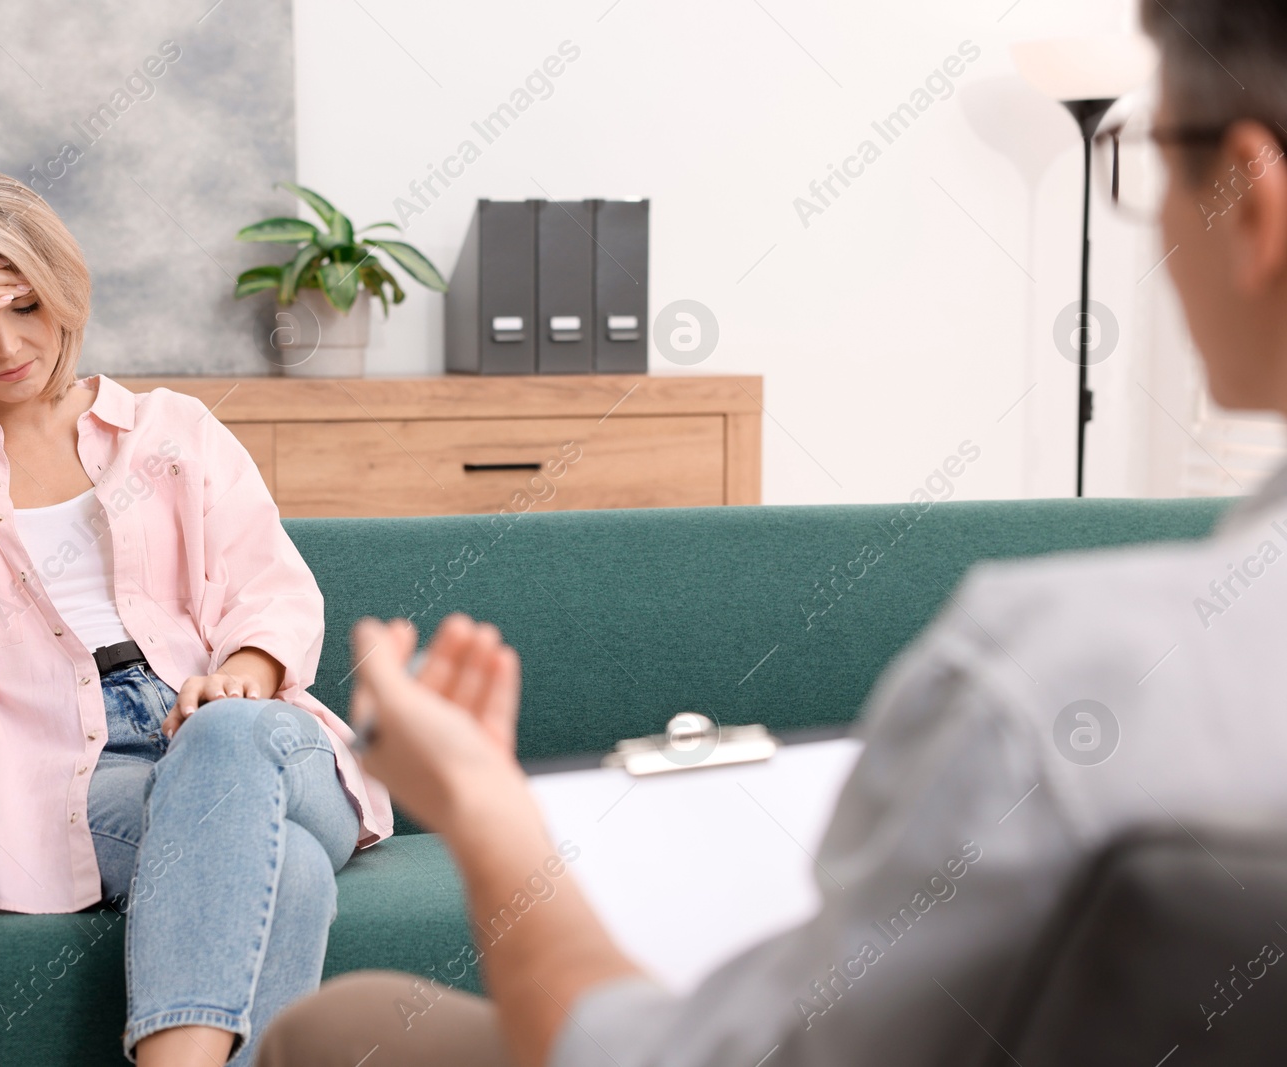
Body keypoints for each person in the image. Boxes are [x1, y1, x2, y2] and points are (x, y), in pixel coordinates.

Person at [255, 3, 1287, 1064]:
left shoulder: (1042, 679)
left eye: (1149, 150)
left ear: (1254, 203)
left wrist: (481, 804)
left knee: (342, 1027)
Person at [0, 168, 394, 1067]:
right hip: (77, 776)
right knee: (289, 868)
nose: (5, 344)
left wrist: (242, 677)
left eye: (25, 303)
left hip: (247, 729)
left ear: (61, 287)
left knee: (226, 746)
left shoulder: (170, 429)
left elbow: (273, 588)